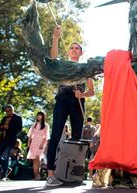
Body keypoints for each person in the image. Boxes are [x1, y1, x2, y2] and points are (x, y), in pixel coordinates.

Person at [46, 25, 94, 187]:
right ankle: (51, 175)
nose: (74, 50)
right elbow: (53, 58)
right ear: (68, 52)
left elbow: (91, 92)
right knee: (56, 135)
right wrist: (55, 38)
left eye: (77, 48)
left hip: (78, 102)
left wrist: (83, 94)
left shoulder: (86, 68)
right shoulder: (64, 65)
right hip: (63, 99)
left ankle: (73, 174)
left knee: (76, 138)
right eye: (72, 48)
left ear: (81, 53)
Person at [0, 104, 23, 180]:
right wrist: (2, 127)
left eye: (8, 111)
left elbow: (19, 129)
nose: (7, 112)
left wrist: (8, 127)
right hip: (3, 139)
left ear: (12, 110)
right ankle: (6, 168)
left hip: (11, 140)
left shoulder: (18, 118)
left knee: (6, 156)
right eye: (6, 111)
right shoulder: (4, 118)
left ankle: (4, 175)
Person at [27, 111, 50, 180]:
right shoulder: (34, 124)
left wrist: (42, 144)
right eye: (37, 115)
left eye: (40, 115)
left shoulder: (46, 125)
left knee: (38, 158)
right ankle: (35, 175)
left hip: (41, 142)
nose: (38, 116)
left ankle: (38, 174)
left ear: (43, 116)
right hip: (34, 142)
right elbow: (30, 135)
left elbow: (46, 136)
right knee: (34, 159)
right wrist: (28, 143)